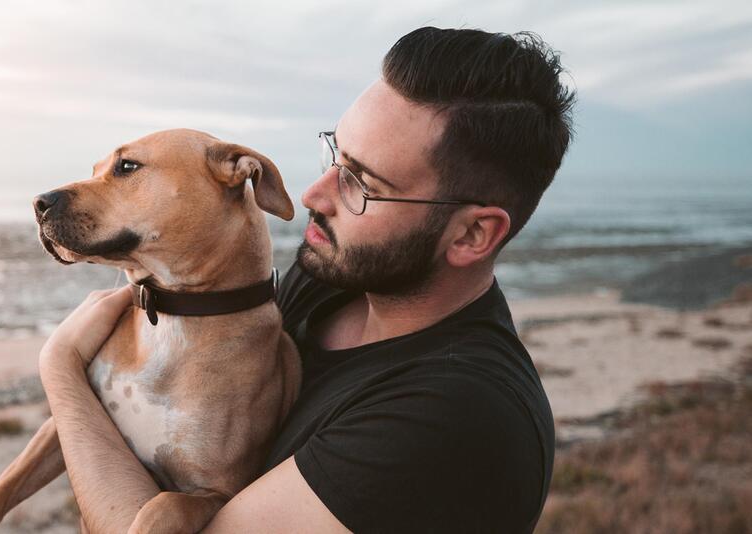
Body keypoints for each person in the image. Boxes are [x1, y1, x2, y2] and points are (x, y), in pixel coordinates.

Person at [39, 26, 575, 533]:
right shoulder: (335, 280)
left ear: (472, 235)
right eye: (335, 154)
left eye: (362, 184)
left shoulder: (452, 415)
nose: (315, 195)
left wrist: (62, 371)